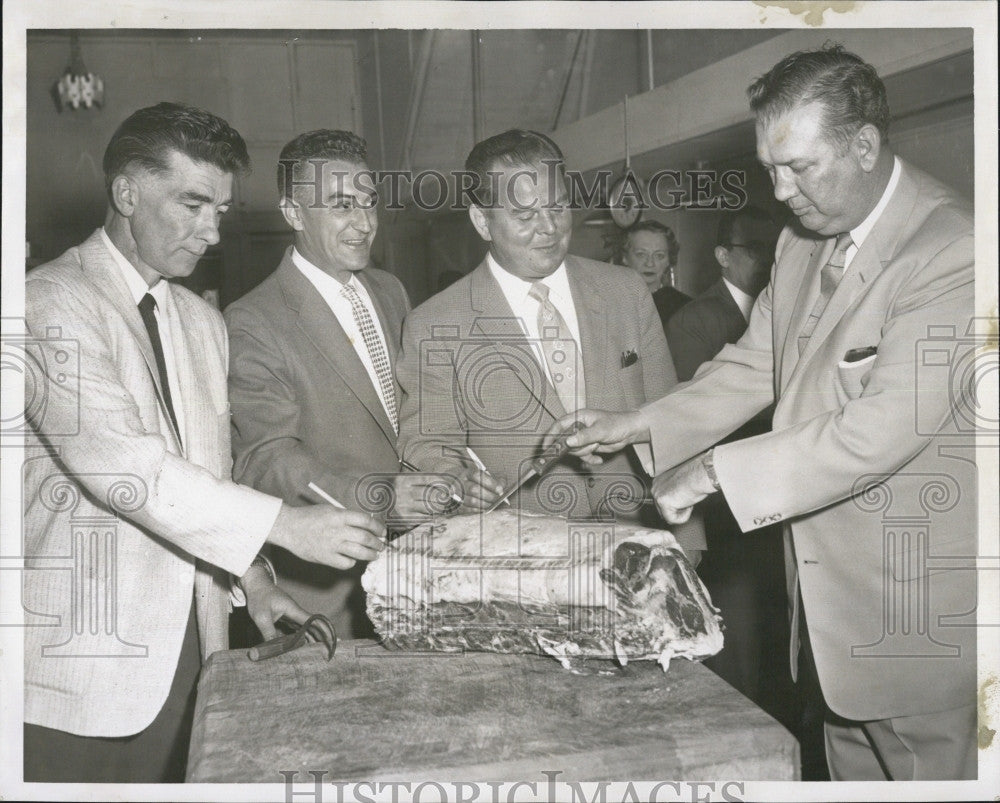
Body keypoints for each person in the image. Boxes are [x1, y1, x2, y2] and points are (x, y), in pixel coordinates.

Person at [552, 45, 977, 781]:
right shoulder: (801, 244)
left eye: (798, 167)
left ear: (866, 145)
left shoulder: (953, 249)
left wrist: (711, 471)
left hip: (913, 617)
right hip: (825, 611)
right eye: (768, 167)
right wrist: (636, 424)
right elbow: (755, 365)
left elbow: (877, 430)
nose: (779, 191)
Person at [22, 103, 386, 783]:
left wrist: (254, 582)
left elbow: (207, 472)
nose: (212, 231)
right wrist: (288, 525)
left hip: (196, 660)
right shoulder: (47, 304)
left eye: (220, 208)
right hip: (83, 674)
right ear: (127, 192)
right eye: (192, 204)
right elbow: (132, 472)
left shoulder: (200, 320)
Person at [395, 129, 705, 559]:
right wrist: (457, 484)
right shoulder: (433, 323)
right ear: (482, 221)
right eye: (524, 216)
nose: (549, 228)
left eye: (558, 207)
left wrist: (689, 542)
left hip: (644, 539)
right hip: (524, 561)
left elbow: (669, 415)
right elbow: (429, 445)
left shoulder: (626, 291)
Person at [226, 130, 410, 639]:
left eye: (370, 203)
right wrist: (382, 496)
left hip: (413, 570)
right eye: (341, 205)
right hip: (328, 590)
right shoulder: (252, 319)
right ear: (292, 212)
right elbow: (267, 457)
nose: (365, 223)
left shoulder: (390, 290)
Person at [666, 207, 778, 382]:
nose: (768, 259)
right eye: (755, 248)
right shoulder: (691, 322)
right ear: (723, 256)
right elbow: (694, 400)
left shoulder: (780, 308)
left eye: (773, 249)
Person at [619, 220, 691, 331]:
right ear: (625, 258)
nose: (650, 263)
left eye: (659, 256)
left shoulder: (684, 307)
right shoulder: (608, 302)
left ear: (668, 260)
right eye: (641, 254)